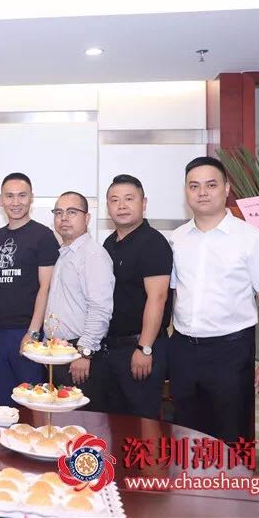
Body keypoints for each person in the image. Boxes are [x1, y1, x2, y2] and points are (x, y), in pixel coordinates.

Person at [169, 156, 259, 442]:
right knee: (186, 435)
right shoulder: (176, 239)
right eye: (194, 186)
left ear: (226, 188)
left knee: (232, 437)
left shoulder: (252, 238)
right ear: (185, 191)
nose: (202, 192)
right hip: (183, 350)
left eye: (211, 185)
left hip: (231, 352)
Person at [102, 175, 172, 419]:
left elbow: (158, 297)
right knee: (114, 422)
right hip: (112, 349)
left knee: (142, 423)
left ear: (144, 203)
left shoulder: (153, 243)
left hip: (140, 348)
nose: (121, 205)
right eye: (114, 200)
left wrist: (145, 348)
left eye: (129, 199)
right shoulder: (109, 243)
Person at [0, 172, 60, 406]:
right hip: (0, 332)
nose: (15, 202)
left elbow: (46, 287)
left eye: (22, 195)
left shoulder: (43, 236)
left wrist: (33, 332)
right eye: (9, 196)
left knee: (32, 403)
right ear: (1, 199)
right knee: (3, 403)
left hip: (28, 331)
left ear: (31, 198)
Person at [44, 191, 114, 412]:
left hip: (80, 355)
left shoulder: (92, 255)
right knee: (61, 423)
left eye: (72, 212)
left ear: (87, 218)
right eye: (59, 212)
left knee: (84, 423)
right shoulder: (66, 253)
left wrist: (84, 353)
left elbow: (100, 309)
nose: (64, 218)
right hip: (59, 352)